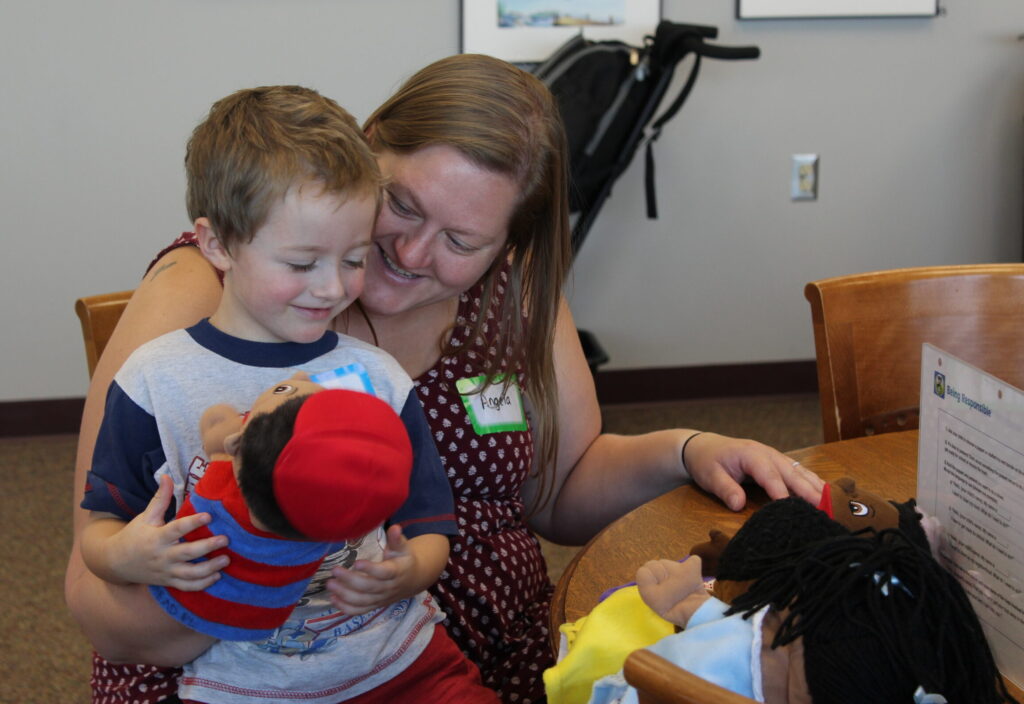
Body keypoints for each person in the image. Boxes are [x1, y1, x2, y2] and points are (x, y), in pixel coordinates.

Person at [66, 56, 824, 704]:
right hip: (259, 669)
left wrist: (685, 450)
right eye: (400, 206)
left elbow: (557, 491)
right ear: (364, 155)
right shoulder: (226, 289)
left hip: (464, 668)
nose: (412, 254)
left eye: (461, 240)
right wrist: (276, 573)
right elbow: (97, 594)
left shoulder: (513, 288)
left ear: (505, 246)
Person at [76, 84, 497, 703]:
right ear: (217, 244)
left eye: (354, 259)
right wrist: (128, 557)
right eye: (302, 264)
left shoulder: (376, 378)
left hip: (403, 666)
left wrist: (410, 572)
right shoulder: (152, 381)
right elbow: (100, 530)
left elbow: (429, 520)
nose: (331, 289)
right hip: (242, 685)